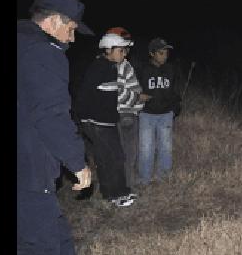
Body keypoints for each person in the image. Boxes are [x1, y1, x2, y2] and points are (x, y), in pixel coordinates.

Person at [17, 0, 113, 255]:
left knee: (57, 235)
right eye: (71, 29)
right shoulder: (44, 53)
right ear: (53, 21)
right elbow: (52, 115)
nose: (72, 38)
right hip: (25, 170)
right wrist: (77, 162)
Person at [73, 31, 138, 206]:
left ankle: (109, 194)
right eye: (121, 50)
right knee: (115, 157)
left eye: (125, 51)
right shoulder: (103, 68)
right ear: (108, 50)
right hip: (99, 123)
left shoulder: (104, 65)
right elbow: (86, 95)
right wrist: (86, 119)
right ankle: (119, 194)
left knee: (104, 157)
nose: (124, 54)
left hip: (96, 121)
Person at [137, 37, 183, 185]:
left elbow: (176, 91)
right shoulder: (142, 70)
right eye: (161, 53)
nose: (164, 56)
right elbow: (133, 89)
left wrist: (174, 110)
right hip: (146, 115)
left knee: (166, 147)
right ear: (152, 53)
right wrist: (138, 98)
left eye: (166, 53)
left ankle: (163, 178)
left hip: (166, 115)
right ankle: (144, 179)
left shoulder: (171, 70)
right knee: (146, 148)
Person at [106, 26, 148, 188]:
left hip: (129, 113)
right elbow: (118, 93)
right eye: (124, 47)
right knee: (125, 154)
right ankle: (123, 188)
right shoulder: (113, 66)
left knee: (128, 154)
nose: (127, 51)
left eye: (127, 48)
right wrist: (139, 97)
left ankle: (127, 185)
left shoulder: (124, 64)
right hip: (123, 114)